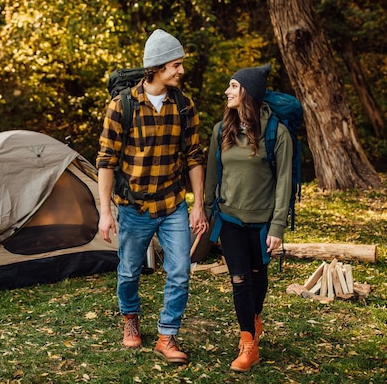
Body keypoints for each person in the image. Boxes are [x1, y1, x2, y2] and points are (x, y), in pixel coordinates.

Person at [96, 29, 208, 365]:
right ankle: (130, 318)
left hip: (173, 204)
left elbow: (194, 157)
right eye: (176, 64)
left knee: (180, 270)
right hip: (134, 208)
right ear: (157, 67)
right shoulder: (122, 106)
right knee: (129, 271)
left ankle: (167, 334)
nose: (181, 71)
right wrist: (105, 212)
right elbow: (106, 161)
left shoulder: (184, 106)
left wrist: (197, 204)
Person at [204, 64, 293, 372]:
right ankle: (248, 345)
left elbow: (284, 183)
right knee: (239, 279)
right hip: (229, 219)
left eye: (233, 86)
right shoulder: (221, 130)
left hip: (262, 223)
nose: (227, 91)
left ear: (248, 93)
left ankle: (255, 320)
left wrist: (278, 226)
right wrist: (204, 212)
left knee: (257, 276)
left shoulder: (277, 134)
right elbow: (212, 175)